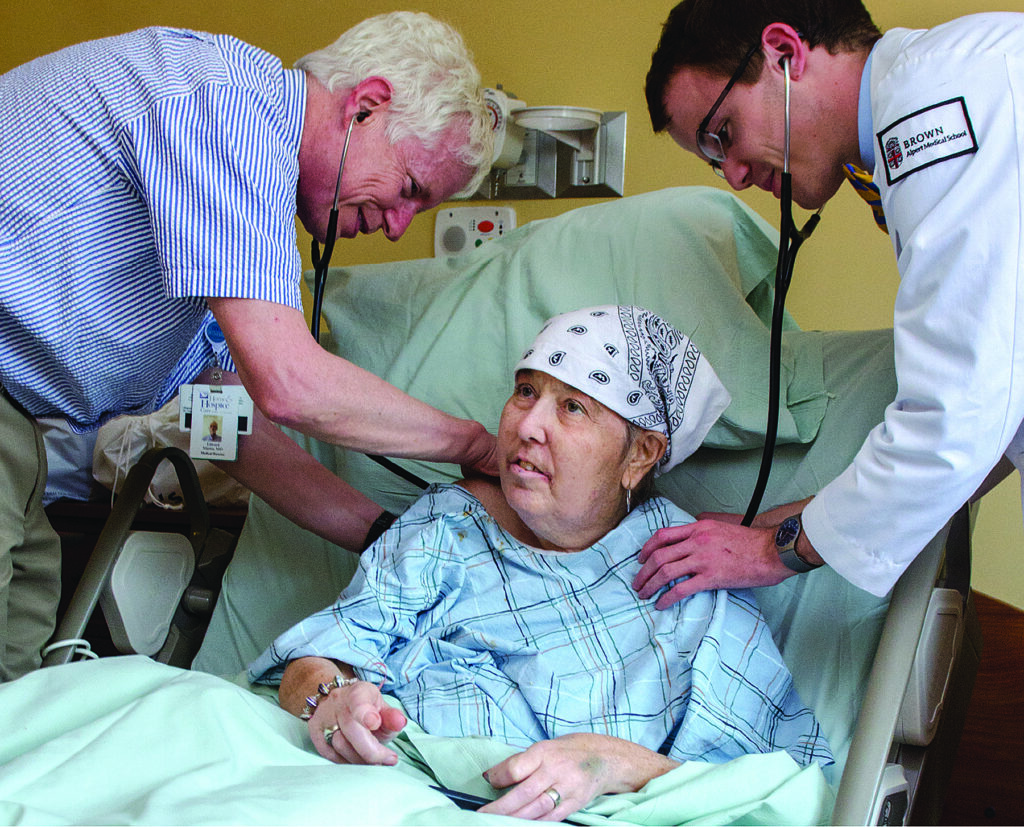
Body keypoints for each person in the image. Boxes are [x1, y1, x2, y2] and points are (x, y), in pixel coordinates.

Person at [0, 11, 495, 681]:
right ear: (366, 106)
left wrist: (385, 536)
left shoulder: (238, 214)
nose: (397, 225)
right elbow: (288, 383)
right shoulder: (223, 107)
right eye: (409, 189)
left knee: (19, 677)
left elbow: (228, 425)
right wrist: (474, 445)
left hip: (20, 427)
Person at [249, 306, 833, 822]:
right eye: (526, 391)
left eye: (573, 407)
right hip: (372, 793)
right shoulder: (446, 525)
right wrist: (332, 697)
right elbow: (317, 656)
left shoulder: (691, 571)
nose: (527, 425)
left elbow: (768, 795)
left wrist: (615, 764)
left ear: (641, 455)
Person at [636, 0, 1024, 604]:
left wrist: (776, 551)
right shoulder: (934, 104)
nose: (734, 176)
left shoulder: (942, 109)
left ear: (784, 53)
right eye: (715, 162)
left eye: (723, 136)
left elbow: (961, 411)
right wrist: (816, 519)